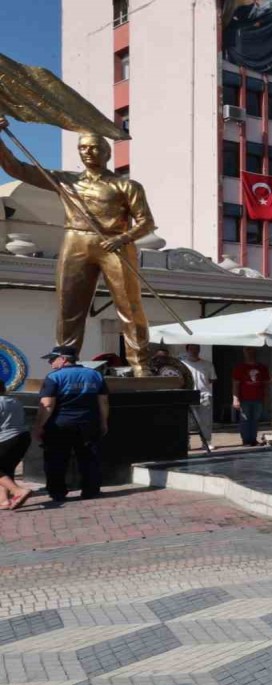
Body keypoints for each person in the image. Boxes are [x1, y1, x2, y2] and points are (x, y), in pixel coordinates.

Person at [0, 120, 157, 377]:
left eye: (94, 148)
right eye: (83, 148)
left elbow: (146, 222)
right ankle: (65, 358)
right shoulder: (65, 181)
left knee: (129, 306)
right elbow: (16, 168)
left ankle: (140, 363)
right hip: (76, 242)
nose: (88, 152)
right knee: (69, 306)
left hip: (115, 244)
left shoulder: (127, 186)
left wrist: (124, 237)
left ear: (106, 153)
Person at [32, 345, 109, 501]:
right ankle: (91, 490)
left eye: (52, 359)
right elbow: (104, 402)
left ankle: (57, 492)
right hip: (88, 423)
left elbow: (47, 404)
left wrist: (39, 426)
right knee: (89, 458)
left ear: (63, 359)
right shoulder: (95, 375)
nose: (50, 363)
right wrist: (103, 423)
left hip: (60, 425)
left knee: (56, 459)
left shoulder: (54, 377)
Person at [0, 382, 33, 510]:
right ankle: (4, 500)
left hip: (6, 438)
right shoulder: (14, 401)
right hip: (22, 437)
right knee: (5, 469)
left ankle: (18, 491)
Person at [231, 348, 269, 446]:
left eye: (252, 350)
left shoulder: (262, 367)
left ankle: (253, 439)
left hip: (258, 398)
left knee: (255, 419)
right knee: (245, 419)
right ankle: (246, 440)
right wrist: (235, 399)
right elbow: (235, 384)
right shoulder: (240, 367)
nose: (250, 352)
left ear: (255, 351)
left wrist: (266, 397)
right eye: (247, 350)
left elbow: (266, 384)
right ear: (244, 352)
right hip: (244, 398)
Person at [181, 344, 217, 446]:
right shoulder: (182, 365)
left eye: (196, 349)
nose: (194, 351)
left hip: (204, 395)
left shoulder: (208, 364)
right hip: (188, 395)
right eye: (192, 349)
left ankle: (206, 442)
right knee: (186, 421)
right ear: (187, 350)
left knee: (206, 421)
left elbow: (212, 379)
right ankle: (186, 443)